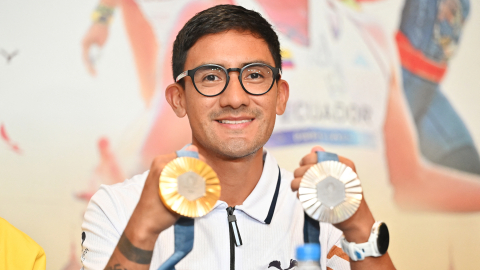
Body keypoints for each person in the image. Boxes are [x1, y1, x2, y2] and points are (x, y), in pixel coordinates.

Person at [81, 5, 396, 270]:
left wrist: (358, 226)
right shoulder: (117, 207)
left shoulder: (323, 213)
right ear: (178, 99)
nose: (235, 98)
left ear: (281, 96)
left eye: (255, 75)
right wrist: (143, 230)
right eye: (211, 77)